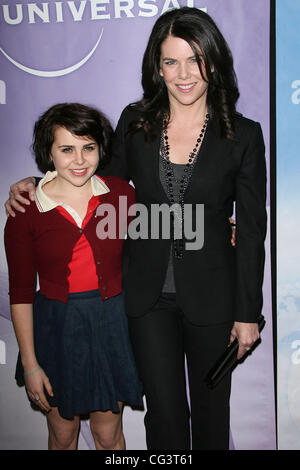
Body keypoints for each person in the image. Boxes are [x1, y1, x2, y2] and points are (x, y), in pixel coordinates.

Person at [5, 7, 266, 450]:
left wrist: (247, 314)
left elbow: (253, 230)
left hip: (214, 294)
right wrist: (35, 180)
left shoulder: (243, 135)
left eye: (195, 59)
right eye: (170, 61)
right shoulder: (135, 122)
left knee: (210, 411)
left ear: (214, 62)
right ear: (156, 67)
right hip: (145, 299)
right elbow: (88, 174)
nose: (184, 74)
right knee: (163, 413)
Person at [4, 103, 143, 450]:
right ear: (48, 152)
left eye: (88, 147)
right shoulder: (26, 209)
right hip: (55, 328)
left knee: (108, 436)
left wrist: (221, 229)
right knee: (63, 436)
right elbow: (20, 292)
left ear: (101, 149)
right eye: (66, 149)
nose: (79, 160)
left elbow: (165, 225)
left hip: (111, 323)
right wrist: (32, 364)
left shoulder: (120, 195)